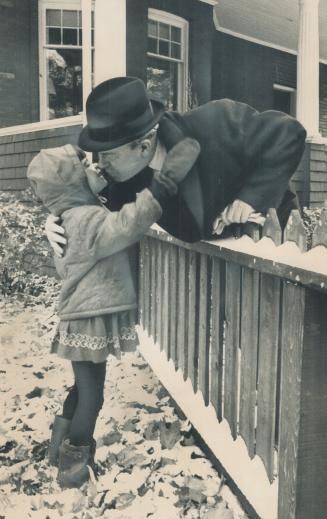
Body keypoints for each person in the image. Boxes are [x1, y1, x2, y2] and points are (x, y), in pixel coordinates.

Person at [27, 138, 200, 488]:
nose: (96, 167)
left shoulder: (71, 216)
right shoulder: (85, 219)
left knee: (82, 388)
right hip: (90, 318)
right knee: (93, 396)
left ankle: (59, 451)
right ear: (73, 184)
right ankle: (74, 470)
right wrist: (162, 185)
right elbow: (127, 224)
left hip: (84, 318)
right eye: (85, 167)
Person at [45, 76, 306, 252]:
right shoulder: (122, 183)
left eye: (107, 155)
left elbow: (289, 133)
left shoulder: (218, 121)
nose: (100, 164)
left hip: (274, 245)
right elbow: (95, 219)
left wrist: (250, 197)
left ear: (145, 146)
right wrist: (58, 221)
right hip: (217, 261)